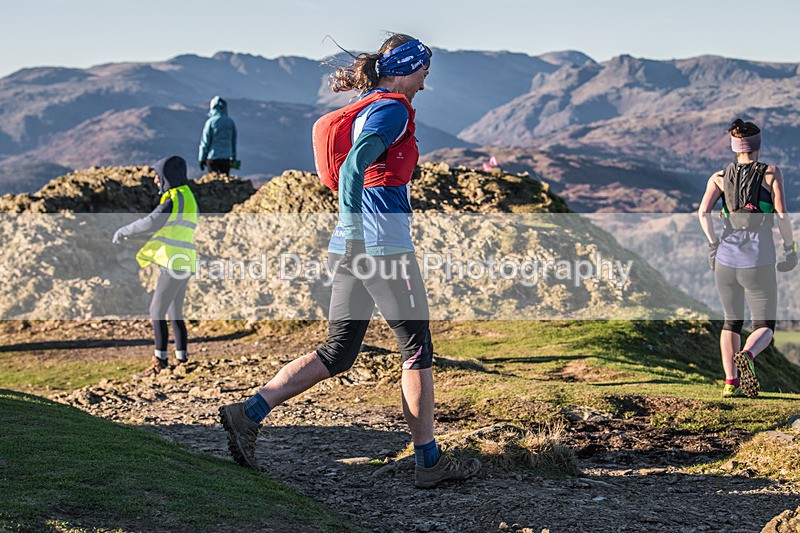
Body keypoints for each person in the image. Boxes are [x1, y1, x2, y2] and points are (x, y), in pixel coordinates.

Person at [219, 33, 481, 488]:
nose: (424, 82)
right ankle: (429, 462)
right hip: (380, 247)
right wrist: (361, 231)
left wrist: (352, 233)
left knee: (338, 351)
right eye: (423, 72)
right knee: (417, 348)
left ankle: (249, 412)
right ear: (406, 68)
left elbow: (356, 169)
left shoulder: (367, 106)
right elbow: (356, 166)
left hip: (349, 245)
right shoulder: (392, 110)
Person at [698, 119, 796, 398]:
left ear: (735, 147)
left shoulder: (718, 177)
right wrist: (790, 248)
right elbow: (781, 215)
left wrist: (713, 244)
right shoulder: (771, 173)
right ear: (757, 145)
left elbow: (702, 213)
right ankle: (748, 355)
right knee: (765, 325)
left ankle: (731, 383)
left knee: (731, 322)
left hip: (725, 260)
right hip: (758, 259)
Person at [113, 155, 199, 377]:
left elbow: (152, 221)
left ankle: (160, 361)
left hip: (173, 262)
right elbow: (168, 228)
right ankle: (182, 359)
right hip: (184, 260)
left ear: (167, 176)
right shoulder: (187, 196)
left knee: (156, 310)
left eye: (158, 175)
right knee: (174, 311)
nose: (155, 180)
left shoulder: (174, 198)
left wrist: (124, 231)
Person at [198, 96, 237, 175]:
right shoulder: (230, 122)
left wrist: (201, 159)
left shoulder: (210, 122)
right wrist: (234, 157)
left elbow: (205, 142)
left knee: (214, 180)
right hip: (226, 158)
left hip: (213, 157)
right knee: (224, 179)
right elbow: (233, 141)